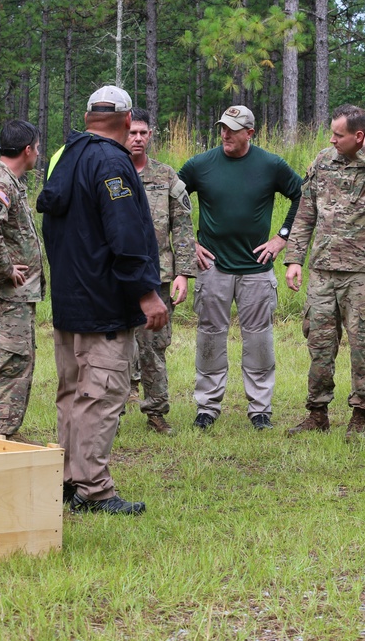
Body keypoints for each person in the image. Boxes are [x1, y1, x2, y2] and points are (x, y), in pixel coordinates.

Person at [37, 85, 168, 515]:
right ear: (128, 120)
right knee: (101, 395)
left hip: (69, 299)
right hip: (104, 304)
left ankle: (66, 479)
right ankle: (94, 490)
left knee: (73, 392)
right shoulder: (114, 162)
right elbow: (126, 236)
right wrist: (147, 294)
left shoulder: (66, 154)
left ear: (90, 115)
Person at [285, 104, 365, 439]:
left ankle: (360, 418)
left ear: (359, 136)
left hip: (363, 274)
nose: (332, 139)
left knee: (363, 346)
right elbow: (305, 213)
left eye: (339, 134)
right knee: (320, 344)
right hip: (324, 271)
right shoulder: (322, 161)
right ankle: (317, 414)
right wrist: (294, 259)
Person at [178, 105, 302, 431]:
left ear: (250, 132)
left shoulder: (271, 165)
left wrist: (281, 238)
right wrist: (188, 242)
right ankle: (207, 407)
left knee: (259, 340)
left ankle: (260, 409)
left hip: (257, 270)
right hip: (213, 268)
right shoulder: (200, 165)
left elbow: (303, 196)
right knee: (209, 338)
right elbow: (169, 199)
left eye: (233, 129)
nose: (225, 134)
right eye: (222, 127)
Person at [124, 107, 198, 435]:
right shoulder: (111, 172)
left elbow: (182, 227)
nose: (137, 138)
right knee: (115, 345)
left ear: (150, 135)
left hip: (159, 277)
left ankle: (156, 410)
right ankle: (112, 412)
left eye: (143, 133)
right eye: (131, 132)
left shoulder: (167, 176)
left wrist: (183, 272)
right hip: (118, 277)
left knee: (154, 345)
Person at [0, 120, 45, 445]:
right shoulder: (0, 183)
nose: (39, 153)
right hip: (5, 296)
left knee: (18, 362)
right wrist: (3, 270)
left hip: (16, 297)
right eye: (38, 147)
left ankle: (6, 438)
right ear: (27, 150)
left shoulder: (12, 182)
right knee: (8, 364)